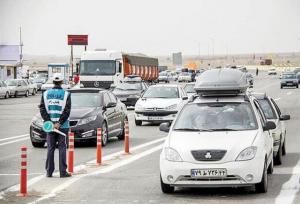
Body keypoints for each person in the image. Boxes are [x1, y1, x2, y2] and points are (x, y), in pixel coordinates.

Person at [39, 74, 72, 178]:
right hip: (63, 126)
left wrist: (49, 122)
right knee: (62, 147)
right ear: (62, 82)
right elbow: (67, 111)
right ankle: (63, 172)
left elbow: (42, 109)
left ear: (52, 82)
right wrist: (59, 123)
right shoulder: (66, 94)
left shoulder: (45, 94)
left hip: (50, 126)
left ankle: (49, 172)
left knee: (50, 148)